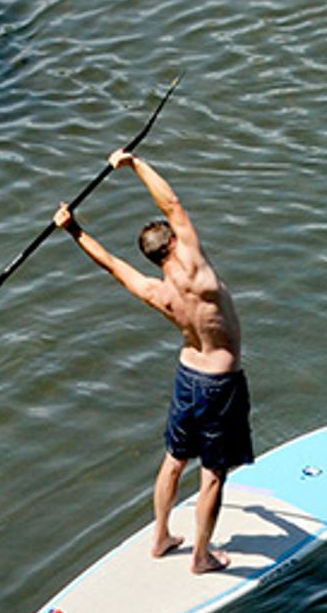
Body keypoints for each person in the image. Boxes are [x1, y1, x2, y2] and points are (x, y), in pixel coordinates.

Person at [53, 150, 252, 574]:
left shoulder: (153, 291)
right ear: (176, 243)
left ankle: (161, 536)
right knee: (213, 474)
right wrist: (135, 163)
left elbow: (110, 265)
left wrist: (74, 230)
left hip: (187, 377)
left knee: (174, 460)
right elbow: (172, 205)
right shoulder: (200, 271)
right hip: (221, 383)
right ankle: (201, 556)